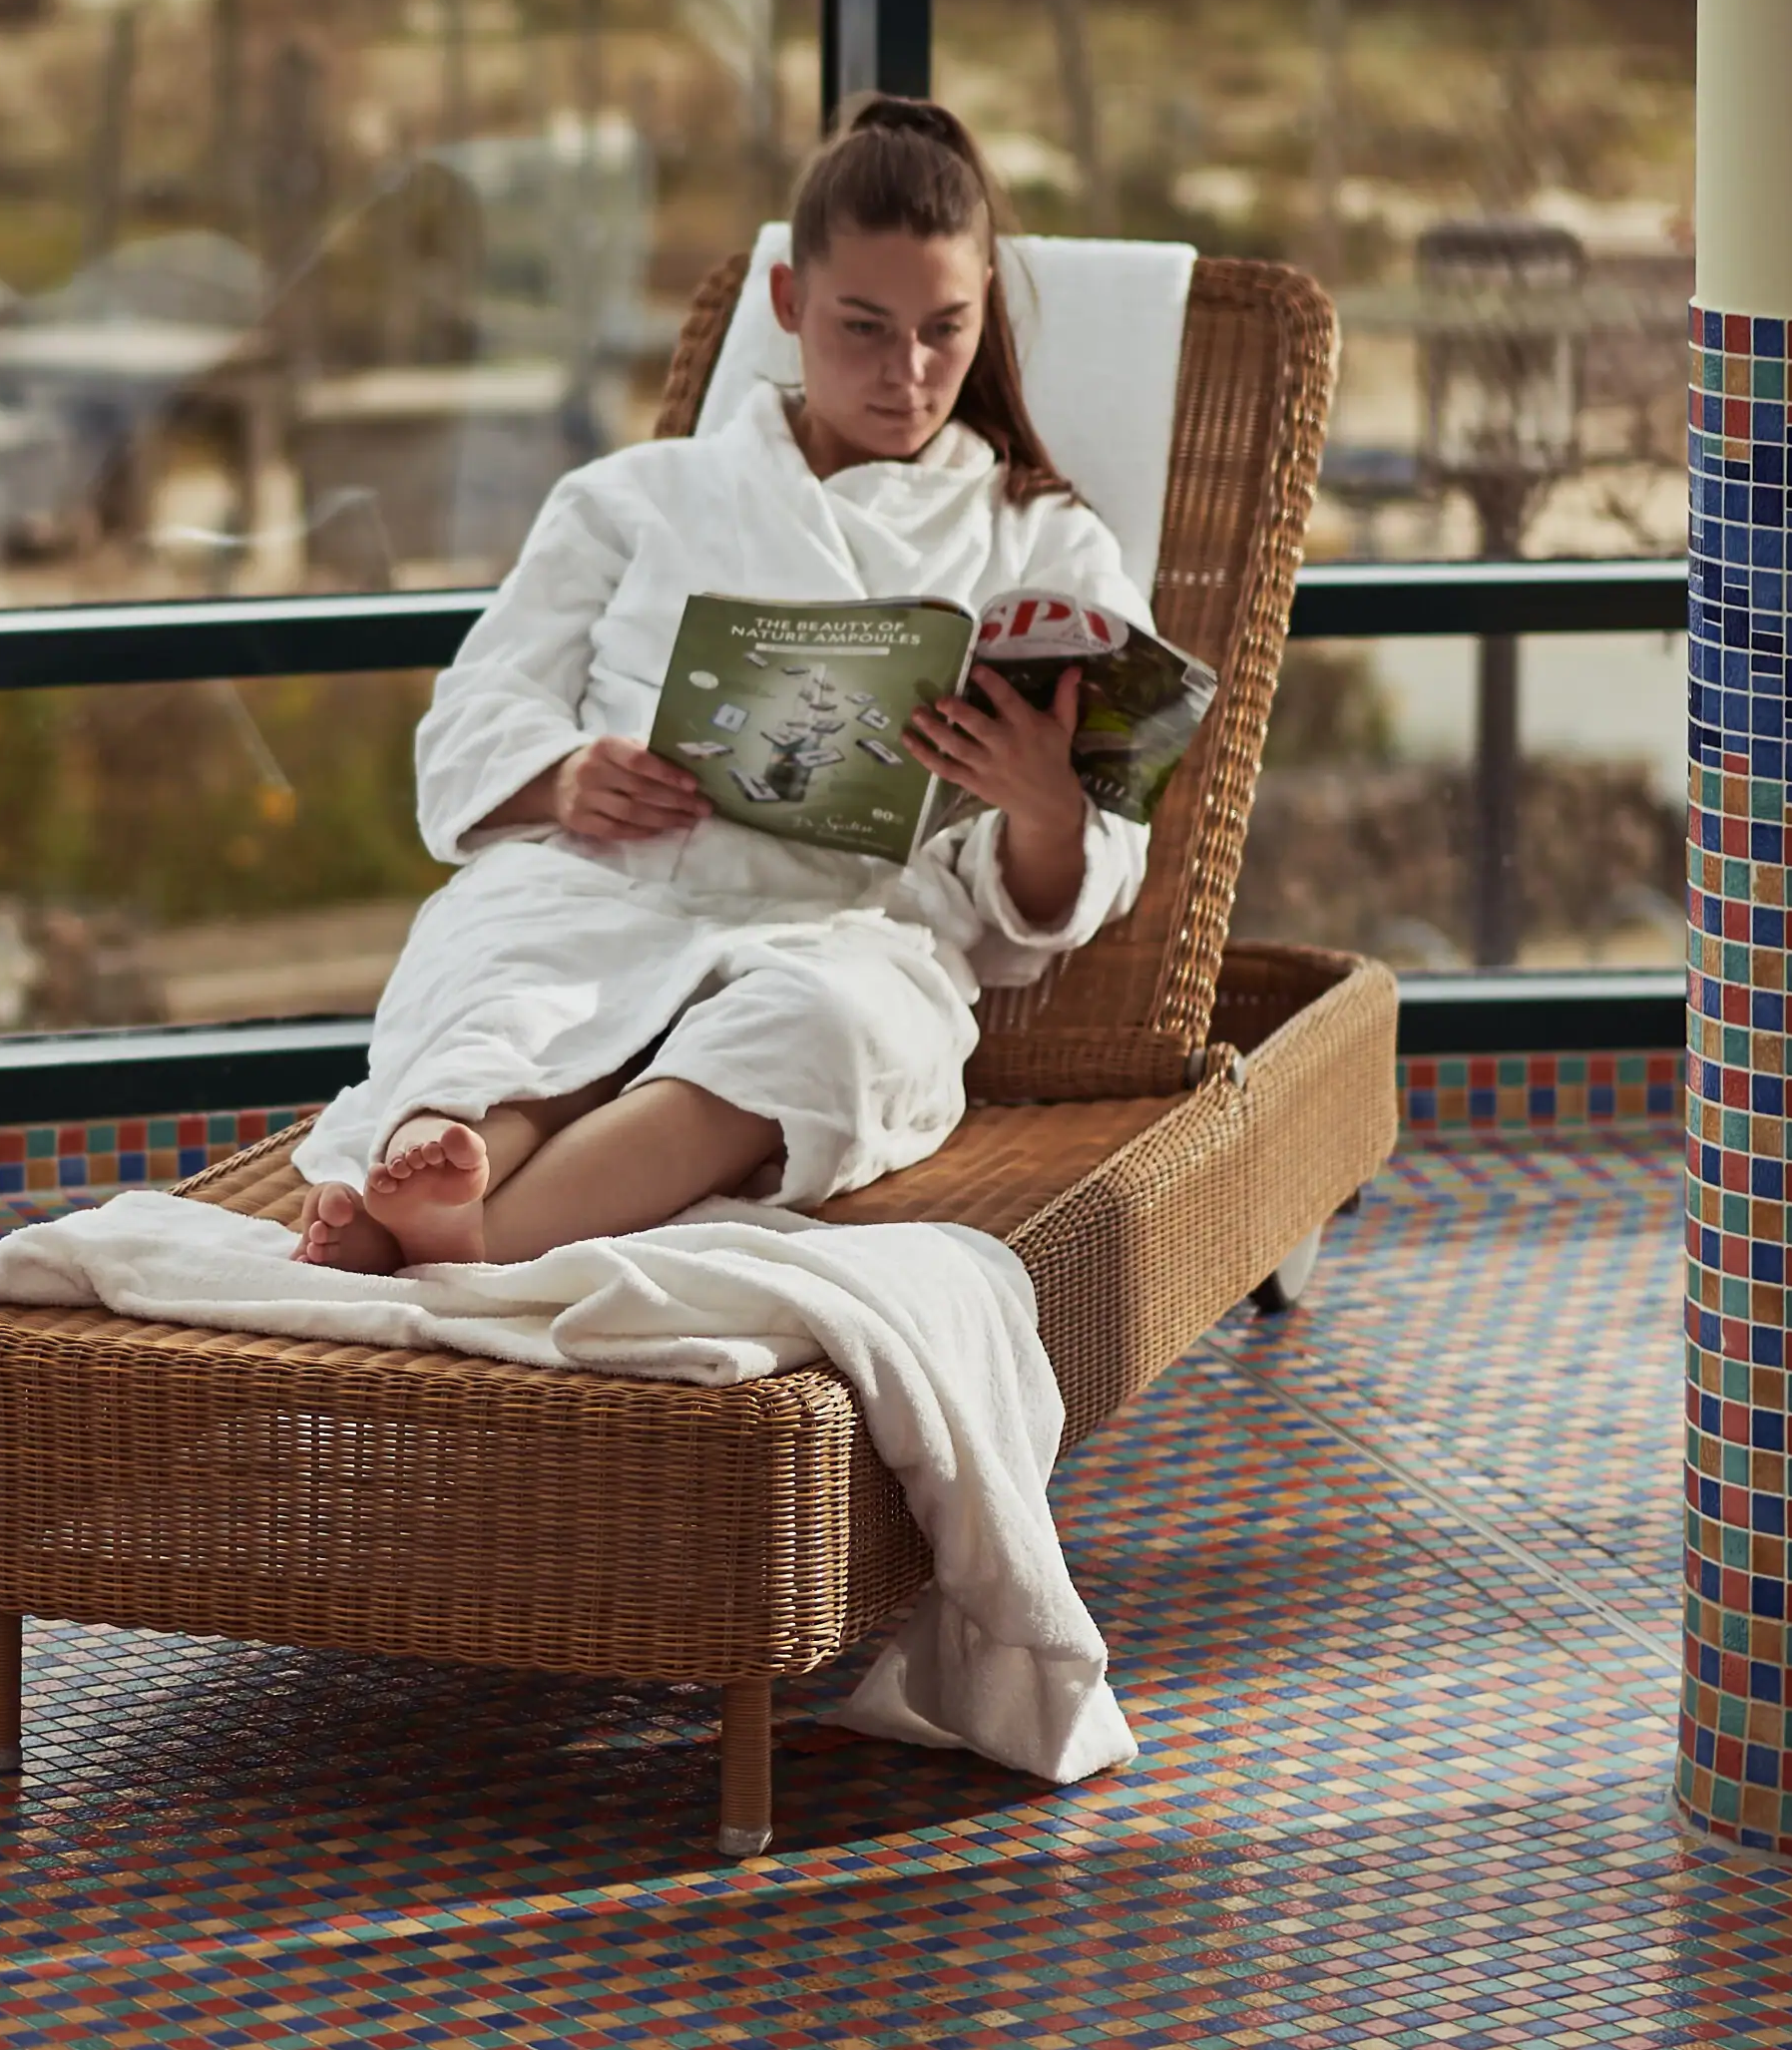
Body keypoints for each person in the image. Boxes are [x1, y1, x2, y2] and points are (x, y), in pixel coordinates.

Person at [288, 93, 1152, 1272]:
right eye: (861, 327)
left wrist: (1048, 807)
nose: (906, 373)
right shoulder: (632, 496)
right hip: (608, 885)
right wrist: (563, 777)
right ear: (788, 304)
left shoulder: (1041, 544)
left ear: (982, 308)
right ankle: (453, 1151)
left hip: (844, 929)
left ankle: (466, 1232)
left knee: (828, 1036)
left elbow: (1072, 874)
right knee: (509, 985)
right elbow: (471, 716)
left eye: (942, 330)